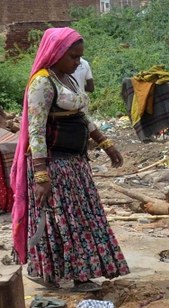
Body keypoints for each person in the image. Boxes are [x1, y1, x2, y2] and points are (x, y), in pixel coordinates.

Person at [10, 27, 127, 292]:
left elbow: (82, 115)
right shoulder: (42, 82)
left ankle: (81, 273)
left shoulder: (68, 80)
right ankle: (56, 274)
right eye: (73, 57)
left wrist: (105, 143)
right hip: (53, 165)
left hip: (74, 164)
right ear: (56, 53)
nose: (78, 63)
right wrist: (41, 175)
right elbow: (35, 131)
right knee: (60, 221)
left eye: (79, 57)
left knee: (82, 218)